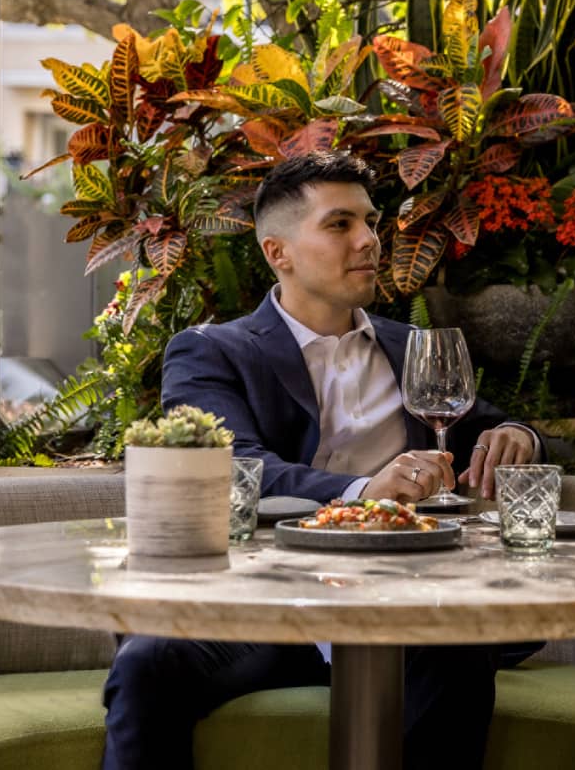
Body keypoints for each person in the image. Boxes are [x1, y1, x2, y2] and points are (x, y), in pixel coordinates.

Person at [101, 152, 543, 770]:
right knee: (148, 662)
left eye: (370, 220)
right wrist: (364, 490)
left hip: (403, 605)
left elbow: (483, 423)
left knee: (458, 648)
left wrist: (517, 433)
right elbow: (237, 466)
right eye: (340, 224)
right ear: (278, 252)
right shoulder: (212, 352)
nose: (369, 240)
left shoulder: (411, 346)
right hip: (265, 602)